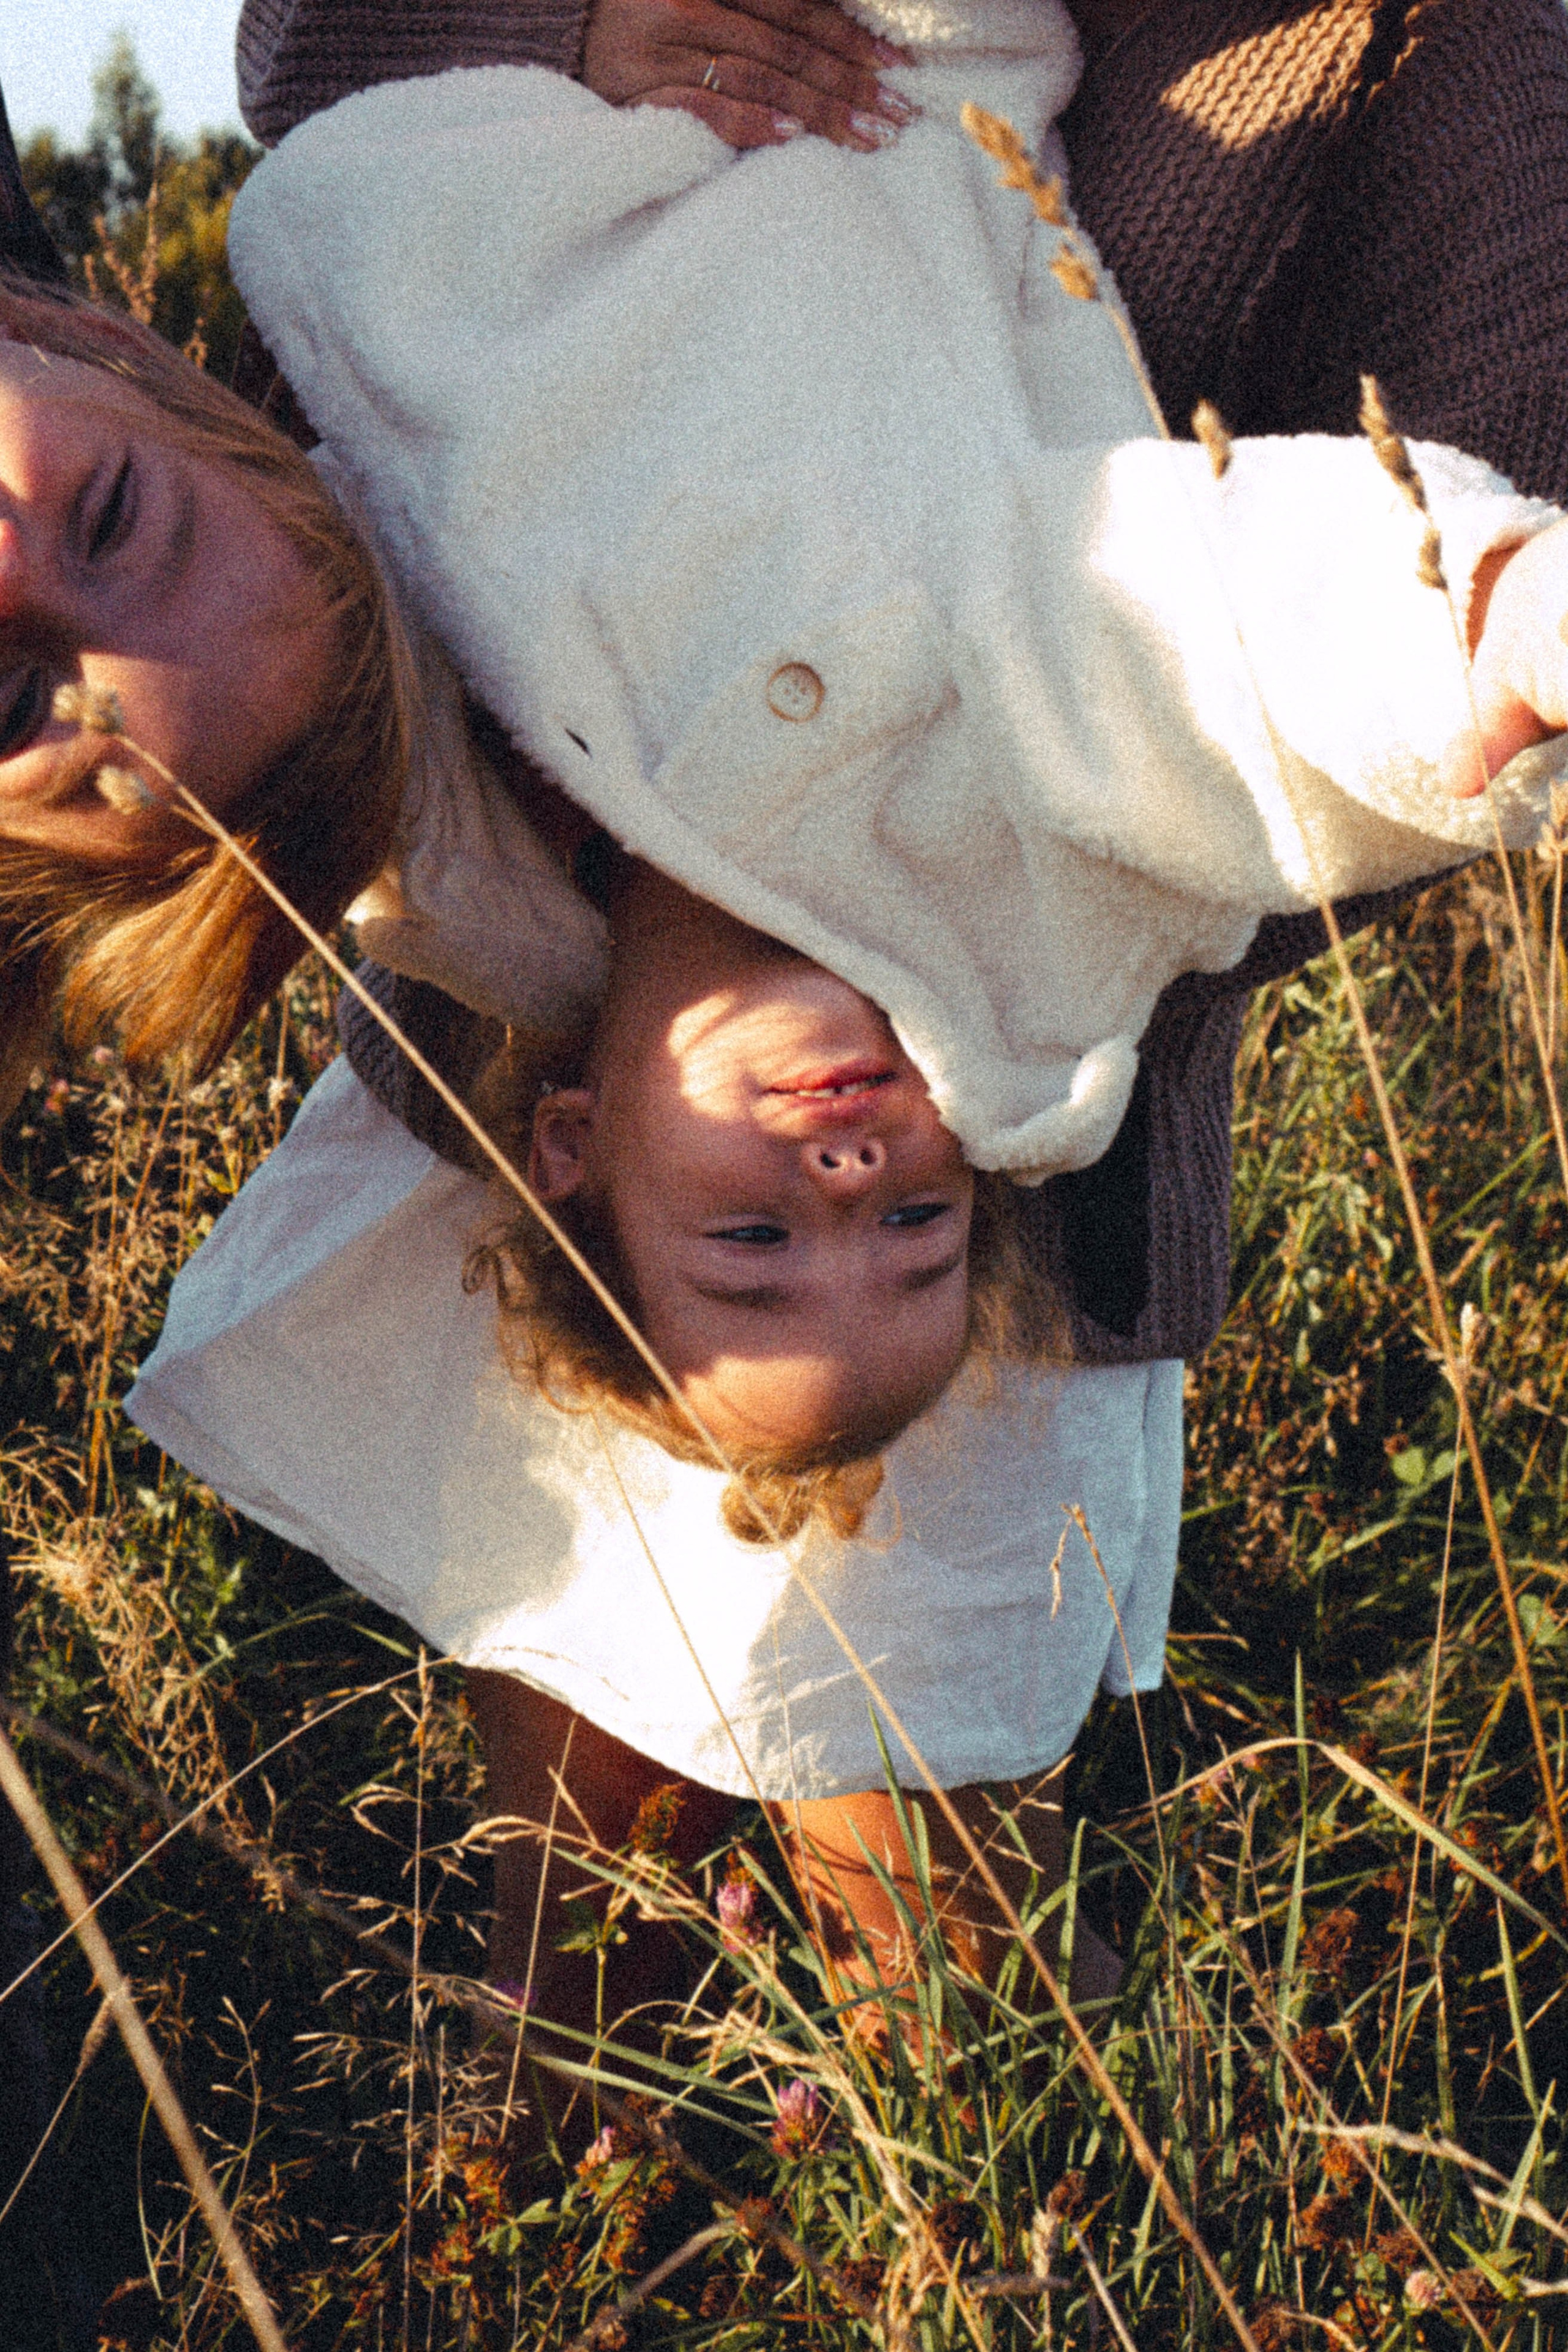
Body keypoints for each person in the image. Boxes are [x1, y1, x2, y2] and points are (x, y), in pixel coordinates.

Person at [127, 0, 1568, 2119]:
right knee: (583, 1690)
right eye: (858, 1220)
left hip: (1023, 990)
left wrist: (1062, 856)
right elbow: (329, 72)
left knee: (921, 1826)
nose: (838, 1192)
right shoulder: (487, 893)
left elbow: (1388, 617)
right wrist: (557, 25)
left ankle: (883, 2193)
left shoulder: (1480, 74)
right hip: (683, 1069)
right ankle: (562, 2163)